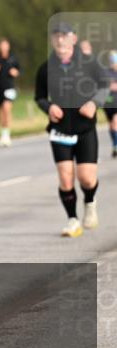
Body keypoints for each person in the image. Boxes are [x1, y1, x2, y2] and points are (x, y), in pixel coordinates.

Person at [34, 21, 108, 238]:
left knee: (86, 178)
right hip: (60, 130)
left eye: (64, 35)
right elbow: (38, 97)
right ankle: (72, 220)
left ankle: (90, 201)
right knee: (66, 178)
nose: (60, 40)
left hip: (85, 128)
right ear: (52, 40)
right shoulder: (46, 68)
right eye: (56, 36)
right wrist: (49, 107)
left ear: (73, 39)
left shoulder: (89, 63)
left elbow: (105, 86)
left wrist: (94, 103)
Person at [106, 51, 117, 159]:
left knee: (115, 122)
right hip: (108, 102)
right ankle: (114, 143)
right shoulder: (106, 72)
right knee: (111, 125)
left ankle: (116, 146)